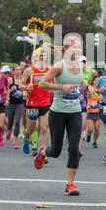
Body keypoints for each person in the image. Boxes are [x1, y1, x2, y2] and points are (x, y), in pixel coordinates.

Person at [37, 35, 93, 195]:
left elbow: (79, 82)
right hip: (58, 113)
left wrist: (87, 86)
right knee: (55, 151)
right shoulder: (58, 66)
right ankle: (42, 152)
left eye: (80, 47)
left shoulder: (81, 67)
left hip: (75, 112)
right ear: (67, 49)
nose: (78, 50)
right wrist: (61, 86)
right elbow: (42, 84)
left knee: (74, 148)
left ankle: (70, 184)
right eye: (75, 47)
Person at [21, 47, 51, 157]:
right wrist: (26, 87)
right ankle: (26, 138)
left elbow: (52, 85)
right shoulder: (30, 70)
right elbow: (20, 85)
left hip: (45, 103)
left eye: (44, 55)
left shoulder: (49, 70)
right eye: (41, 55)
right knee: (31, 128)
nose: (43, 57)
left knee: (44, 128)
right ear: (36, 57)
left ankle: (42, 153)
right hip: (32, 104)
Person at [5, 64, 25, 149]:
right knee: (10, 121)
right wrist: (7, 97)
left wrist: (25, 93)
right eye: (17, 69)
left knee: (17, 122)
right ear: (14, 71)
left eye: (20, 70)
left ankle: (15, 142)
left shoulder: (23, 80)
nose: (19, 71)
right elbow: (6, 90)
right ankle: (9, 129)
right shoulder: (10, 80)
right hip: (11, 103)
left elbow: (25, 89)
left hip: (20, 103)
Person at [86, 75, 102, 148]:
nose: (97, 82)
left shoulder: (102, 90)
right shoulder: (90, 89)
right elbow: (86, 97)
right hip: (90, 110)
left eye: (99, 81)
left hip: (99, 111)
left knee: (97, 128)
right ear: (93, 81)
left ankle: (95, 142)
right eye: (96, 80)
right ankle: (89, 134)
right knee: (90, 129)